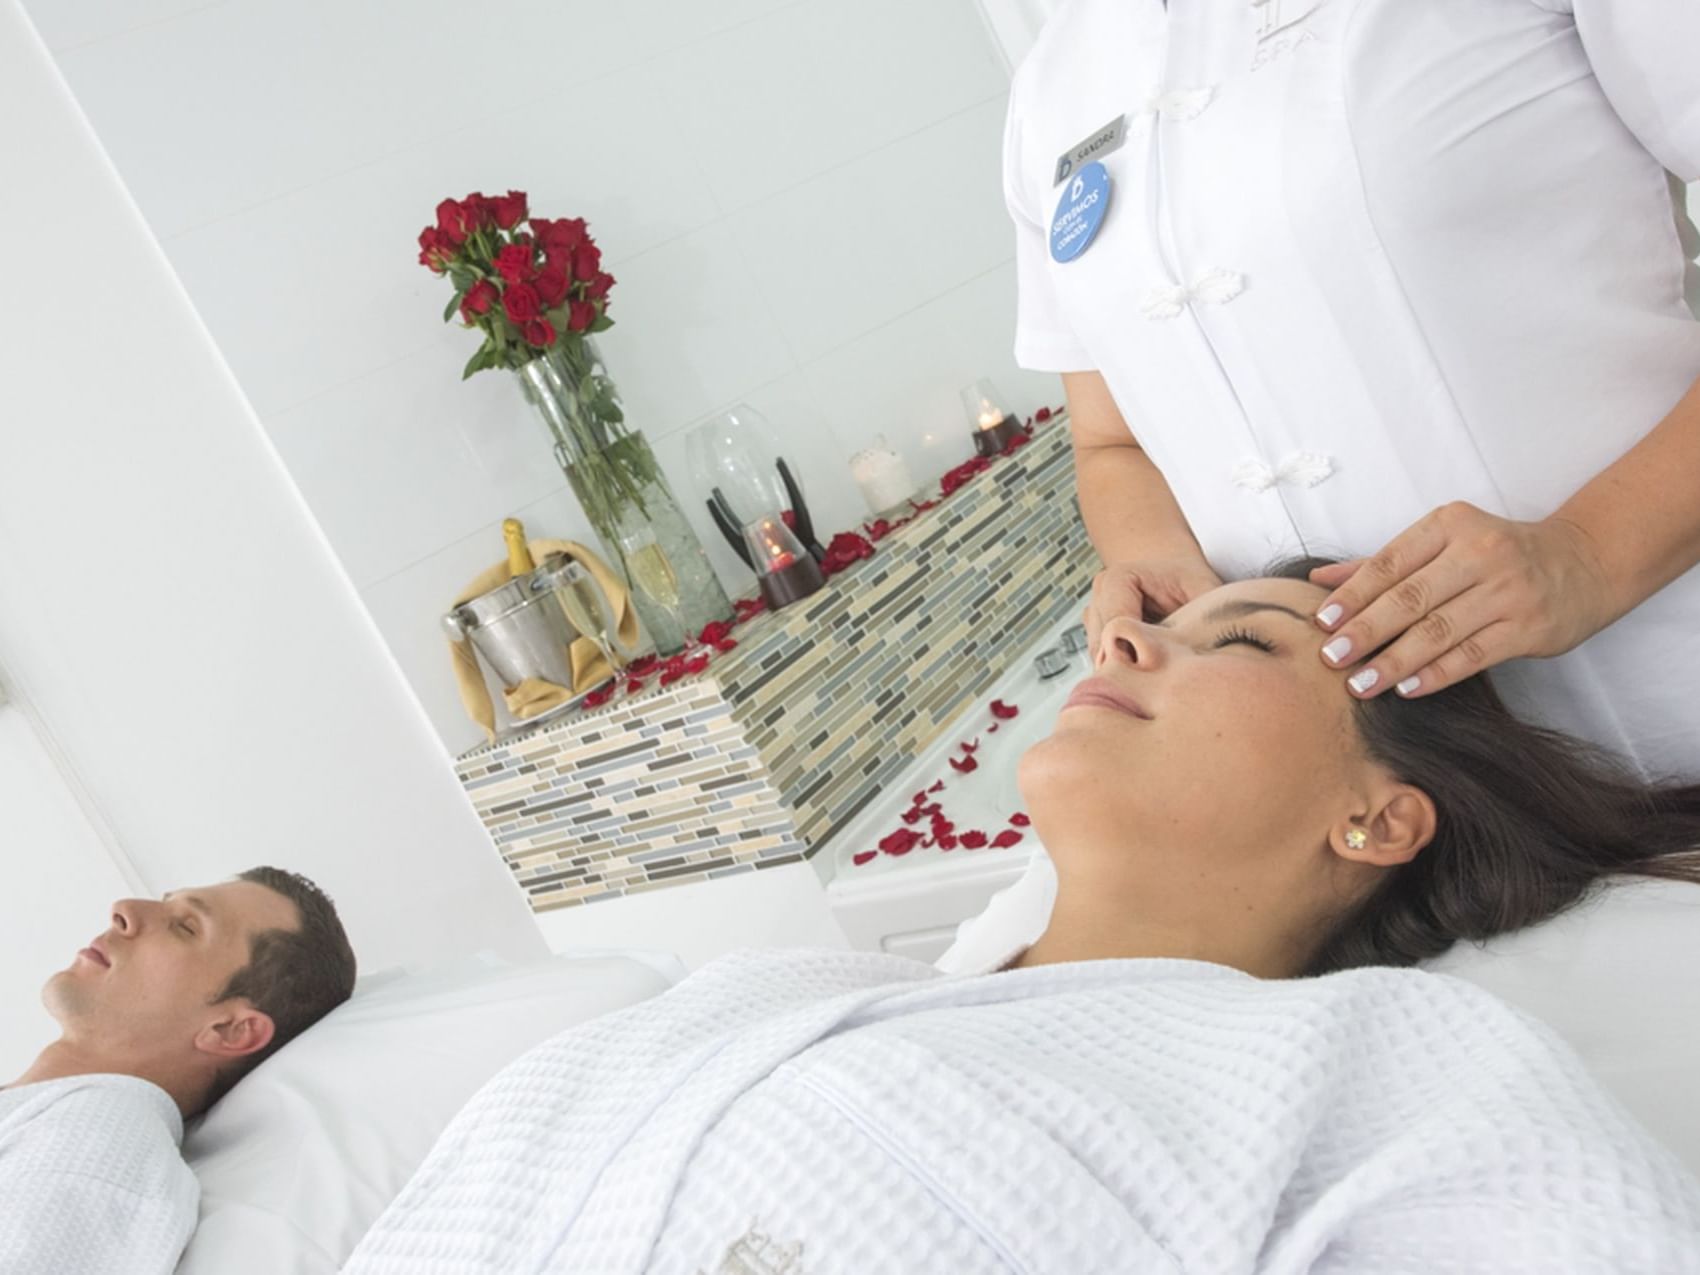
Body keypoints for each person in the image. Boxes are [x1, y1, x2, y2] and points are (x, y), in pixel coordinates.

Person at [349, 569, 1700, 1273]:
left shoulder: (1389, 1068)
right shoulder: (746, 997)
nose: (1115, 640)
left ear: (1379, 815)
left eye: (1241, 643)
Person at [1004, 0, 1700, 779]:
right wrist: (1158, 560)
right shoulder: (1053, 85)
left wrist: (1592, 553)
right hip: (1404, 810)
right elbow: (1112, 441)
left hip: (1674, 690)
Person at [0, 866, 356, 1274]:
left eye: (185, 927)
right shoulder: (48, 1118)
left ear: (230, 1030)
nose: (125, 909)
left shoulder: (100, 1138)